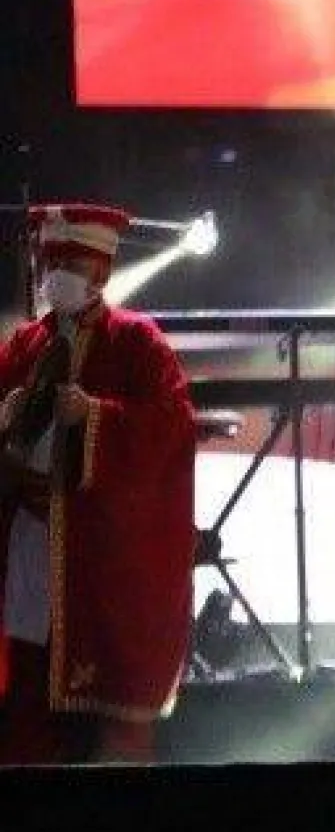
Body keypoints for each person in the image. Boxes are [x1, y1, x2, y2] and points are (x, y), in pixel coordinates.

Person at [0, 202, 197, 765]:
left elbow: (172, 429)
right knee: (31, 694)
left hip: (104, 561)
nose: (53, 275)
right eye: (49, 261)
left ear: (101, 272)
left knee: (106, 711)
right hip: (36, 547)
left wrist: (94, 416)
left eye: (68, 263)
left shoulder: (138, 342)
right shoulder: (24, 345)